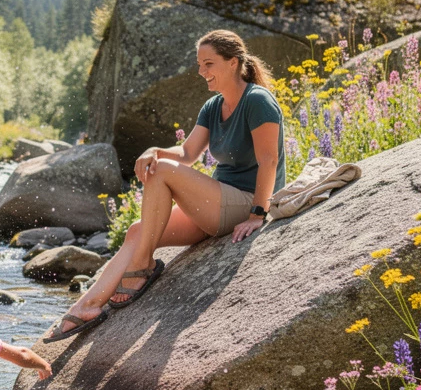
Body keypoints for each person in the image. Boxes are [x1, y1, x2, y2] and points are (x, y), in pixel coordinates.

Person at [48, 29, 286, 341]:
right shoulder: (213, 106)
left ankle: (142, 266)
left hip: (245, 202)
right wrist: (155, 151)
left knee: (159, 173)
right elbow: (187, 154)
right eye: (200, 64)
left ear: (232, 63)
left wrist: (257, 214)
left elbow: (269, 160)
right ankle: (87, 306)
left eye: (208, 64)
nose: (201, 72)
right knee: (137, 230)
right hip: (218, 205)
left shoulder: (258, 101)